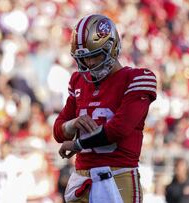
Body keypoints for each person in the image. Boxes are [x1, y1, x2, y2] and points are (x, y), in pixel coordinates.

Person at [53, 14, 157, 203]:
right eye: (85, 58)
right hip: (81, 179)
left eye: (96, 55)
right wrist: (73, 124)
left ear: (112, 47)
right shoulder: (78, 81)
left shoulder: (137, 78)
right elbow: (58, 131)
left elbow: (119, 128)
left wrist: (77, 144)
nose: (90, 63)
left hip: (117, 177)